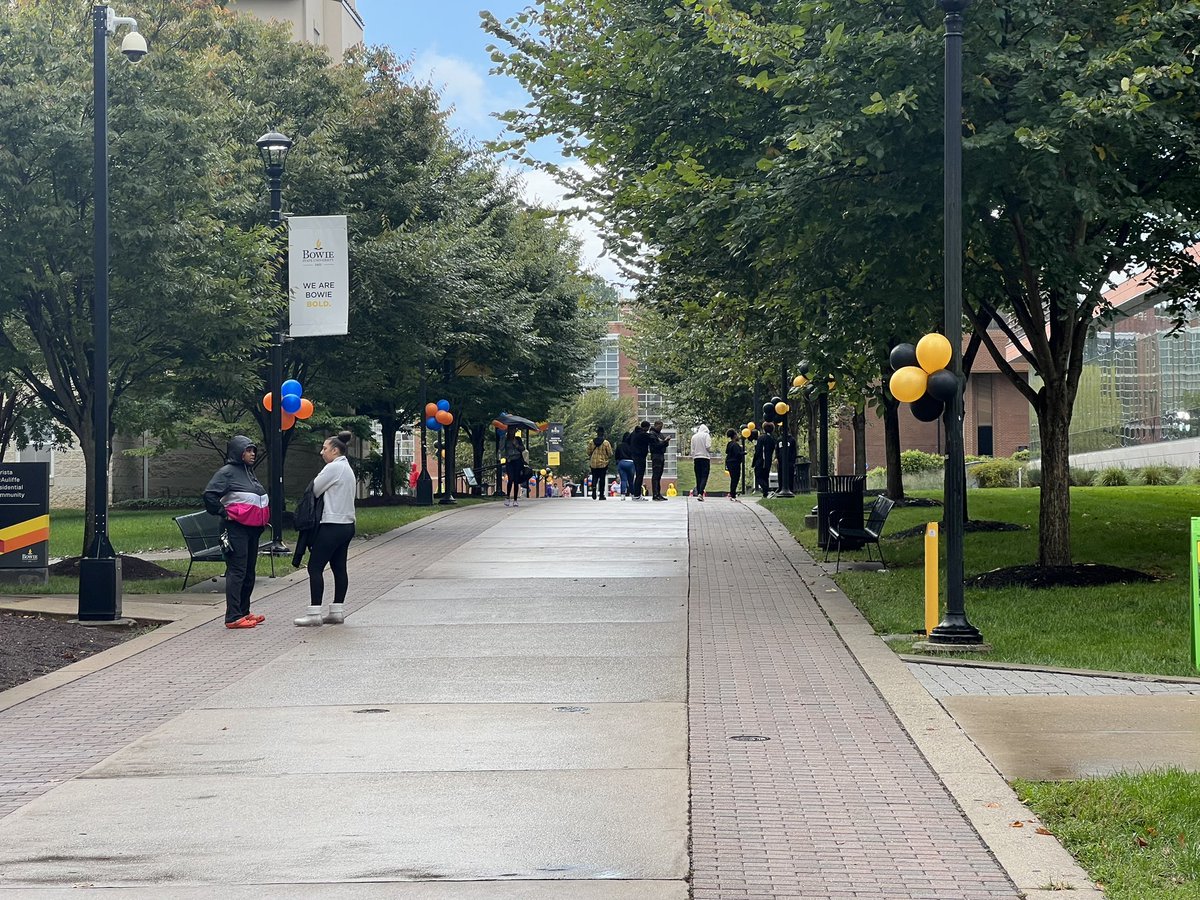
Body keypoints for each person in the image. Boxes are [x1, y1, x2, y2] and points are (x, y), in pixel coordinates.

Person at [204, 435, 270, 630]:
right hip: (235, 529)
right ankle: (232, 616)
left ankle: (243, 611)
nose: (252, 454)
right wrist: (224, 512)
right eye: (248, 450)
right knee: (237, 571)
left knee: (249, 571)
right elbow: (209, 495)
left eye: (253, 450)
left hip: (252, 530)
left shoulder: (249, 472)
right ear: (238, 452)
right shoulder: (227, 472)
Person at [294, 431, 358, 627]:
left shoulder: (334, 468)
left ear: (335, 450)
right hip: (347, 524)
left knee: (315, 567)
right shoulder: (347, 468)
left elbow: (313, 489)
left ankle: (314, 613)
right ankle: (337, 611)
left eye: (325, 448)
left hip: (331, 524)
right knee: (339, 568)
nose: (322, 452)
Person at [753, 422, 778, 499]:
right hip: (768, 460)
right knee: (765, 476)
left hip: (760, 460)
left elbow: (758, 451)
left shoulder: (761, 438)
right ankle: (765, 493)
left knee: (758, 476)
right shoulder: (772, 439)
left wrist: (754, 461)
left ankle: (765, 489)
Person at [588, 427, 613, 500]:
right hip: (603, 463)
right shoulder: (606, 443)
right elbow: (610, 453)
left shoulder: (591, 442)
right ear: (603, 433)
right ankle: (601, 495)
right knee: (602, 479)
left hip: (593, 463)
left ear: (597, 433)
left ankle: (594, 488)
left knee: (594, 477)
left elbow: (588, 452)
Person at [690, 424, 713, 502]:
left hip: (696, 458)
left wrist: (694, 456)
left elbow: (692, 450)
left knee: (698, 476)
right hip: (705, 458)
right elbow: (708, 446)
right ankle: (700, 493)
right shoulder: (706, 435)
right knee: (704, 476)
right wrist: (710, 451)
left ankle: (698, 491)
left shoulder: (694, 437)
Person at [649, 421, 671, 500]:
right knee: (656, 475)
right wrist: (664, 442)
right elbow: (656, 445)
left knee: (659, 476)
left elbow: (663, 443)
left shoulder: (659, 434)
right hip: (656, 455)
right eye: (660, 426)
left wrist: (665, 442)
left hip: (661, 455)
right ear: (656, 425)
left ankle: (658, 493)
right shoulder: (652, 434)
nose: (661, 428)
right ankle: (655, 494)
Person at [629, 422, 652, 500]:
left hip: (634, 456)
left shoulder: (633, 433)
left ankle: (636, 494)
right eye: (648, 428)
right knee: (640, 475)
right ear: (646, 427)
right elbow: (652, 438)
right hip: (641, 456)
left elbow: (627, 440)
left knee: (638, 475)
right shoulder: (643, 434)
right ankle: (637, 494)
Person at [505, 435, 526, 507]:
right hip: (509, 461)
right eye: (510, 430)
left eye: (513, 430)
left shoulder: (518, 439)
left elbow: (523, 449)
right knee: (510, 479)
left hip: (517, 461)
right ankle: (507, 497)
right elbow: (502, 449)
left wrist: (516, 445)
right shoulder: (505, 440)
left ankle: (515, 500)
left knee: (516, 481)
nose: (512, 432)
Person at [725, 429, 745, 502]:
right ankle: (733, 494)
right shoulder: (735, 444)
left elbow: (727, 452)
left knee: (733, 478)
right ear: (734, 436)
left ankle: (732, 493)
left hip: (729, 463)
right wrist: (743, 452)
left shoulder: (729, 444)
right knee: (735, 479)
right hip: (735, 463)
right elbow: (737, 454)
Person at [615, 431, 636, 499]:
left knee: (623, 480)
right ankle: (632, 494)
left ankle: (622, 495)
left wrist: (618, 462)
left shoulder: (620, 445)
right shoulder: (632, 446)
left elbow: (616, 456)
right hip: (631, 463)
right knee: (631, 480)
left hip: (622, 462)